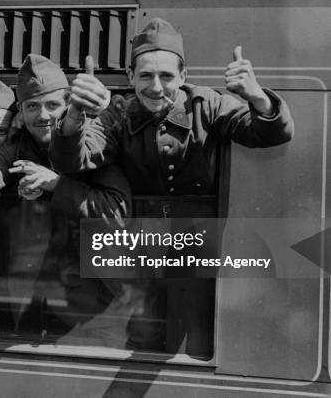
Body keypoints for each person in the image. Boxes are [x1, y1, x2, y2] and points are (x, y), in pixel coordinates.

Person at [49, 17, 294, 354]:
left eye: (166, 76)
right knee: (144, 336)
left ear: (183, 76)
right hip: (138, 246)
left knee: (195, 340)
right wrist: (75, 114)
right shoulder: (117, 115)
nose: (156, 87)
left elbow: (269, 132)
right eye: (146, 75)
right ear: (131, 76)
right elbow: (72, 160)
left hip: (199, 246)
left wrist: (258, 98)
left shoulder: (205, 104)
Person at [0, 53, 133, 338]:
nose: (43, 115)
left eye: (52, 105)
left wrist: (55, 185)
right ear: (21, 115)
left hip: (99, 291)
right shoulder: (16, 148)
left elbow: (115, 215)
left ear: (68, 106)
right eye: (32, 106)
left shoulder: (93, 141)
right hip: (47, 284)